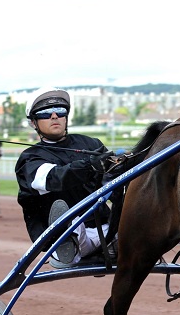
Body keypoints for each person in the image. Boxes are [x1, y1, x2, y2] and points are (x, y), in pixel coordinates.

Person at [15, 86, 115, 266]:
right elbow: (54, 178)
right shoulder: (29, 159)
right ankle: (66, 244)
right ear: (33, 122)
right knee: (67, 218)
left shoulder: (91, 144)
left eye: (60, 111)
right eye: (45, 113)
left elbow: (113, 180)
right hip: (71, 230)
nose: (54, 116)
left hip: (106, 227)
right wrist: (88, 165)